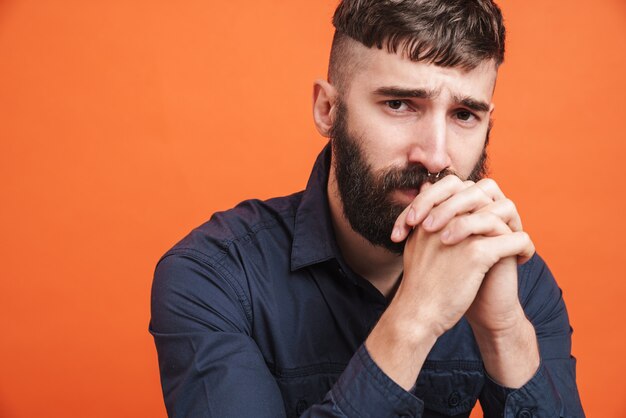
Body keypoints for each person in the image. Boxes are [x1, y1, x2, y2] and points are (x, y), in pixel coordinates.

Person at [150, 0, 585, 416]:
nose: (435, 156)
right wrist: (415, 320)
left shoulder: (518, 285)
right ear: (327, 110)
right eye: (399, 104)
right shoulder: (214, 276)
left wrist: (505, 332)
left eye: (464, 115)